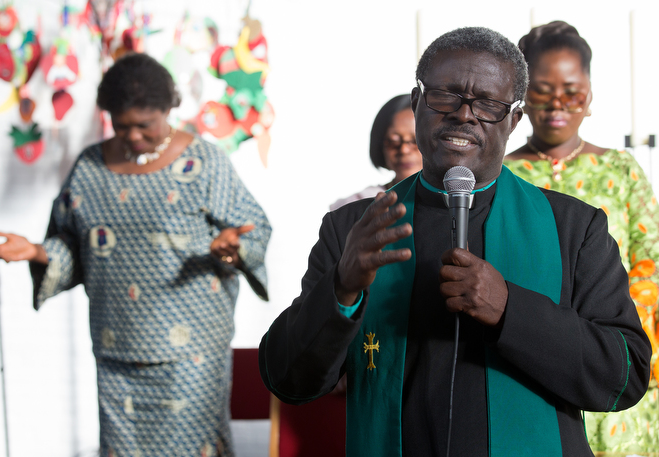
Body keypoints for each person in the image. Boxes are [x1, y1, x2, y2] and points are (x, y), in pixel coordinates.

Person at [258, 27, 651, 457]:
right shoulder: (352, 229)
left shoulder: (574, 228)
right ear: (417, 103)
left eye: (488, 103)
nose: (465, 115)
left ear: (514, 121)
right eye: (445, 95)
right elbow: (287, 380)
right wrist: (343, 288)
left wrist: (509, 309)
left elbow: (623, 378)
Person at [0, 53, 271, 457]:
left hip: (192, 351)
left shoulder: (205, 162)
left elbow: (252, 228)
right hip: (117, 350)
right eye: (122, 126)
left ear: (168, 110)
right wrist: (38, 252)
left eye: (145, 125)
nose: (134, 136)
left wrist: (235, 248)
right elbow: (71, 243)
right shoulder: (89, 167)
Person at [503, 20, 659, 454]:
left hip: (616, 367)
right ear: (521, 97)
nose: (558, 104)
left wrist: (631, 356)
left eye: (572, 92)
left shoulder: (622, 169)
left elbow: (652, 263)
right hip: (530, 367)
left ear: (589, 97)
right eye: (541, 90)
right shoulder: (503, 175)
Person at [330, 94, 422, 210]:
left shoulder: (450, 201)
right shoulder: (357, 205)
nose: (404, 150)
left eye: (415, 141)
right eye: (394, 141)